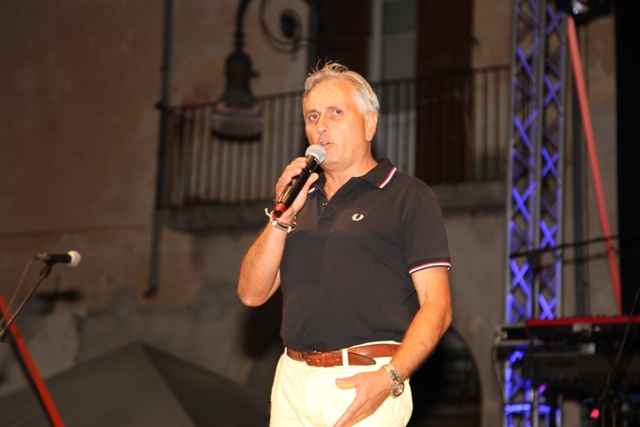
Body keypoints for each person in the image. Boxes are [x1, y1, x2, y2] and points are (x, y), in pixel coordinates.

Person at [237, 62, 452, 427]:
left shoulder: (407, 196)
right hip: (291, 380)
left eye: (335, 112)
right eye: (313, 116)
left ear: (369, 124)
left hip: (363, 379)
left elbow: (438, 306)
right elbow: (251, 293)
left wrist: (390, 377)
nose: (321, 125)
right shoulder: (299, 200)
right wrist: (281, 215)